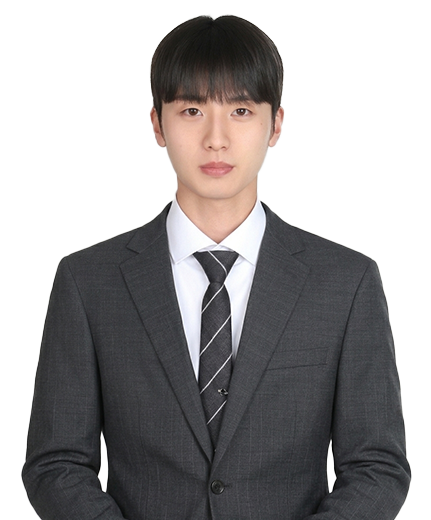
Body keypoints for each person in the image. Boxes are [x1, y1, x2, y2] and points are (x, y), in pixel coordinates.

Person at [22, 14, 411, 520]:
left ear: (276, 124)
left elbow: (378, 467)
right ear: (157, 124)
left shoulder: (345, 283)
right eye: (191, 110)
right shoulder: (89, 282)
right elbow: (55, 464)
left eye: (241, 110)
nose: (216, 138)